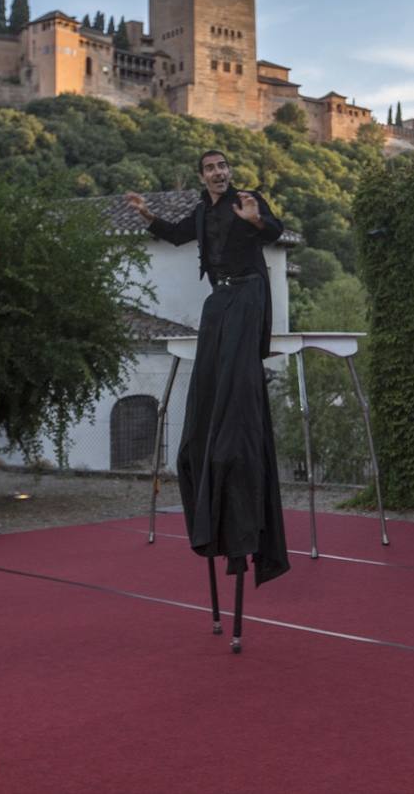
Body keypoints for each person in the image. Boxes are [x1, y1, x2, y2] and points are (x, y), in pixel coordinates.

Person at [124, 150, 290, 587]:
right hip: (220, 297)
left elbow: (275, 232)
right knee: (209, 379)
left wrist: (255, 220)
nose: (219, 173)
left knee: (237, 377)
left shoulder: (249, 200)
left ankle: (234, 438)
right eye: (211, 169)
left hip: (250, 294)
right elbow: (177, 235)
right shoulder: (201, 212)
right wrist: (146, 215)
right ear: (203, 176)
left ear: (229, 172)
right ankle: (211, 441)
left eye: (223, 167)